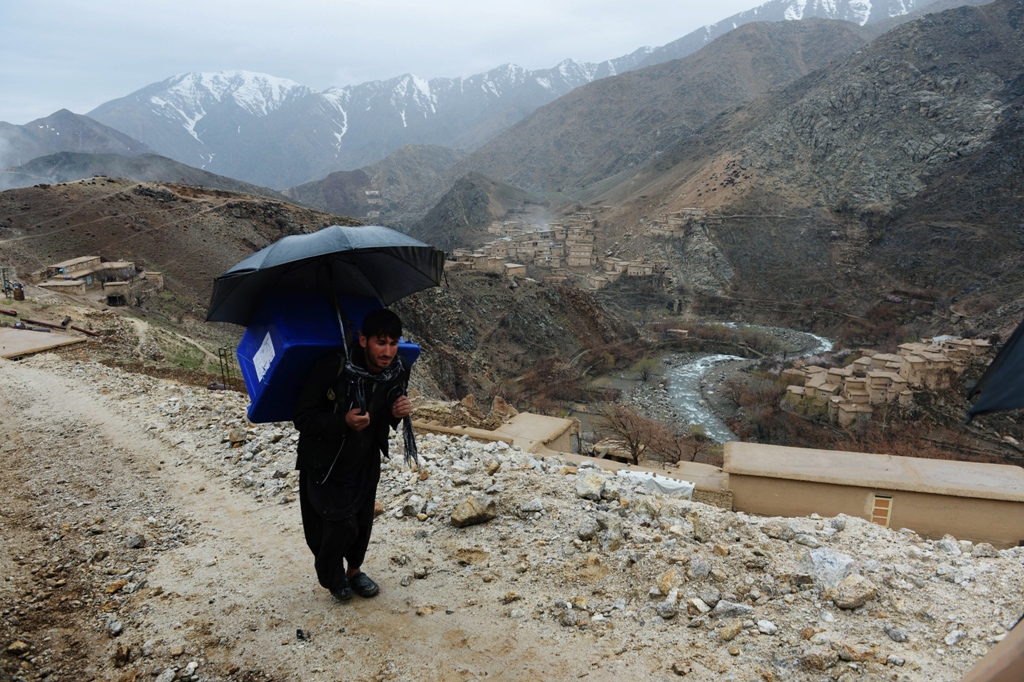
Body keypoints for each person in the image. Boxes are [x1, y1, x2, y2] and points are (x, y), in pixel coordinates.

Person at [293, 308, 413, 602]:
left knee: (361, 519)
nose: (387, 351)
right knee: (336, 522)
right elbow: (303, 418)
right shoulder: (332, 368)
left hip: (365, 455)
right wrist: (342, 422)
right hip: (326, 460)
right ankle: (332, 576)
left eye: (393, 343)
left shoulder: (397, 370)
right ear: (363, 340)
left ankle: (354, 571)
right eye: (380, 342)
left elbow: (384, 413)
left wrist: (397, 414)